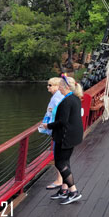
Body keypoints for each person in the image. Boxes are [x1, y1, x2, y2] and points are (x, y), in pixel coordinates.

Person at [42, 74, 84, 204]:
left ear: (65, 87)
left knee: (60, 163)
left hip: (65, 137)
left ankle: (73, 191)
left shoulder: (67, 101)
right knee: (65, 162)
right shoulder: (75, 98)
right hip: (73, 135)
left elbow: (62, 121)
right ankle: (64, 190)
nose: (58, 87)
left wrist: (48, 125)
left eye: (60, 85)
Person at [43, 77, 64, 190]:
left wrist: (48, 127)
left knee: (58, 156)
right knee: (61, 157)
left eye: (50, 85)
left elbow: (54, 116)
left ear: (57, 86)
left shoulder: (56, 99)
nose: (48, 87)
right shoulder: (61, 97)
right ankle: (63, 181)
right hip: (61, 131)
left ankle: (60, 180)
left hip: (58, 131)